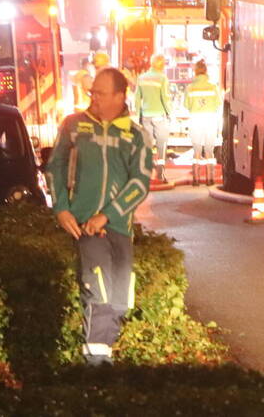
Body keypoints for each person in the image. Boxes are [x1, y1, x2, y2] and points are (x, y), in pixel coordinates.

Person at [46, 68, 152, 366]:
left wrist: (107, 215)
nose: (93, 98)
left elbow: (140, 182)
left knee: (120, 298)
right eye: (92, 92)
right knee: (98, 290)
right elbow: (54, 168)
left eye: (101, 93)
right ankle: (95, 365)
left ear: (120, 96)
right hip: (84, 226)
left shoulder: (135, 135)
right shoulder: (74, 126)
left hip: (118, 227)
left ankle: (103, 359)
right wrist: (62, 208)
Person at [134, 54, 172, 182]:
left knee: (148, 145)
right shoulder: (162, 78)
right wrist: (170, 114)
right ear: (162, 65)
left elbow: (137, 98)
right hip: (159, 115)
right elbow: (165, 98)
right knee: (162, 144)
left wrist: (138, 114)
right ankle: (160, 175)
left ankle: (147, 174)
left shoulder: (142, 78)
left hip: (146, 115)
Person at [186, 60, 221, 186]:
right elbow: (218, 103)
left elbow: (187, 105)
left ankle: (196, 179)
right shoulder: (213, 86)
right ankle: (209, 179)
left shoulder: (190, 87)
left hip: (195, 119)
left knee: (196, 149)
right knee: (209, 150)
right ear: (206, 71)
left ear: (195, 71)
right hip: (210, 119)